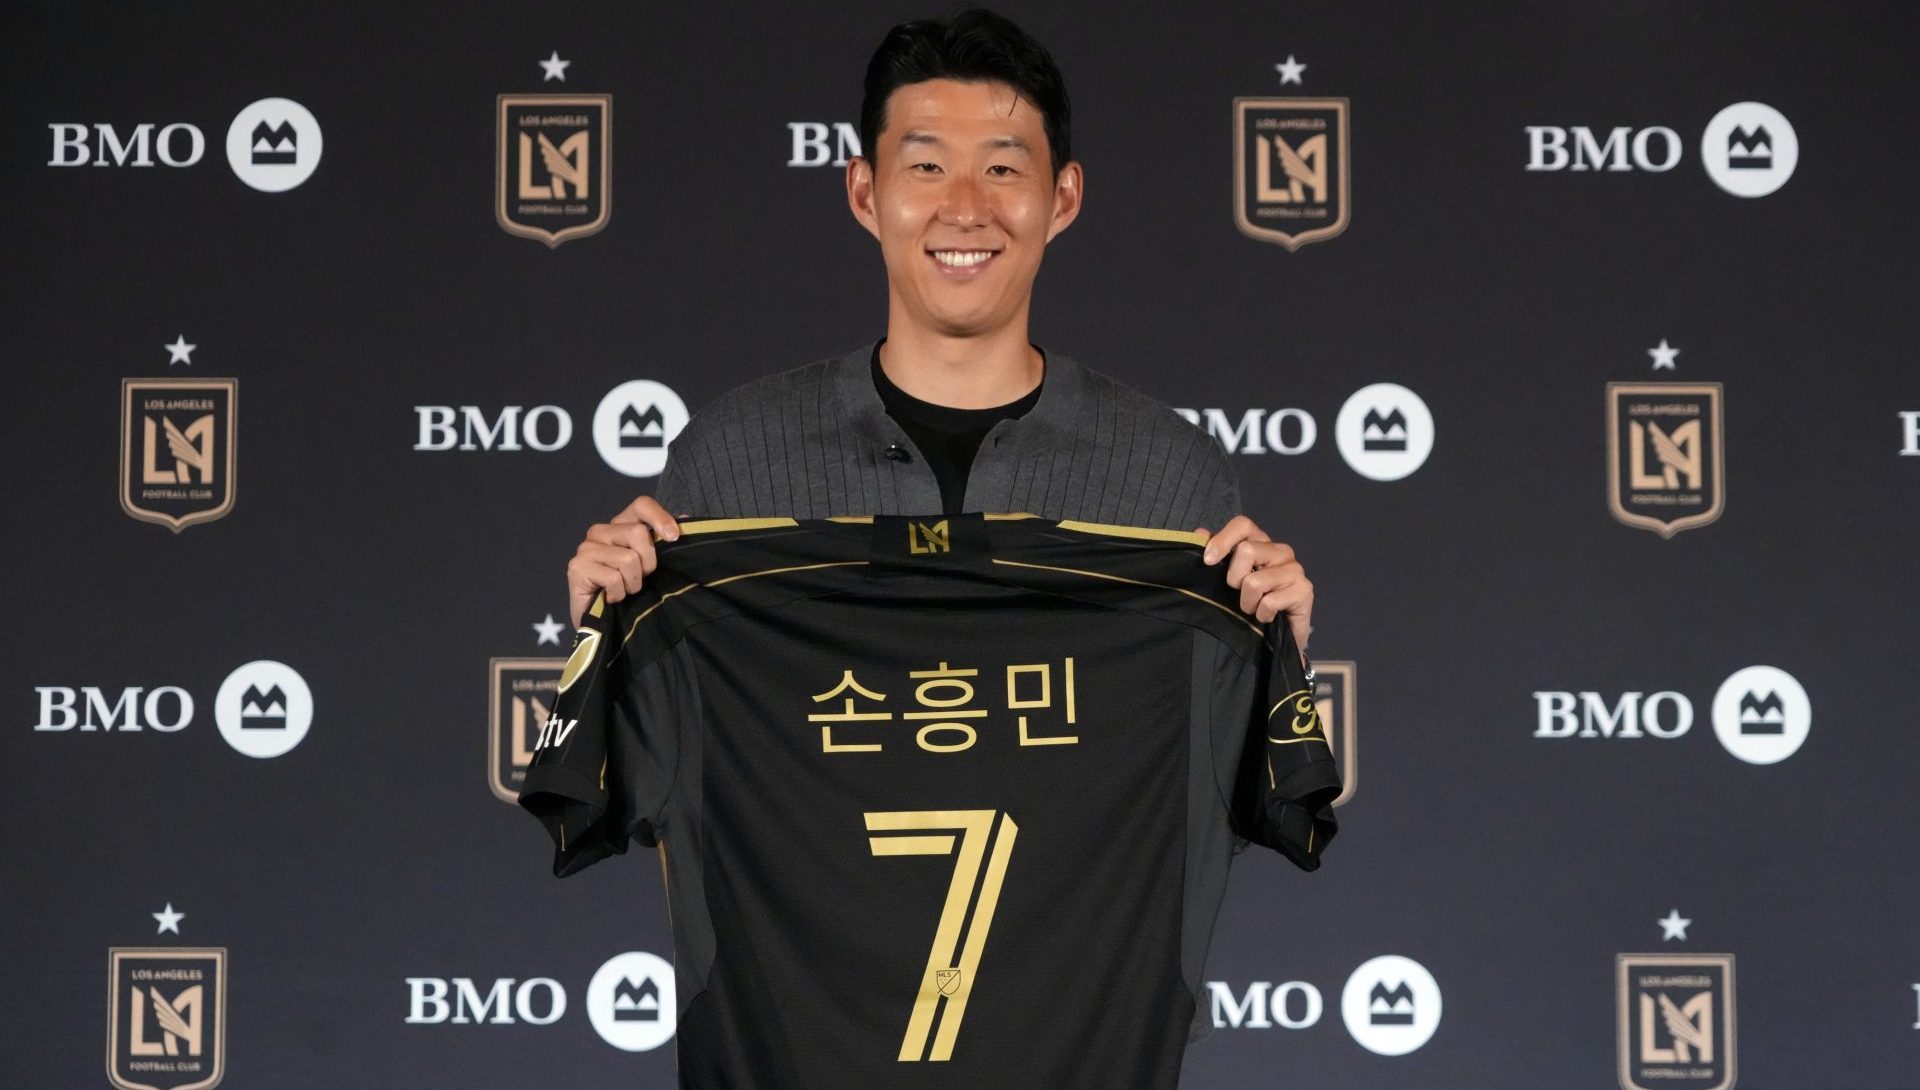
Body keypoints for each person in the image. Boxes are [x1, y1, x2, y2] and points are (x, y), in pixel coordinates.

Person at [565, 8, 1314, 663]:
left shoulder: (1171, 477)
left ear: (1062, 199)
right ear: (865, 192)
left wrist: (1278, 658)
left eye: (1002, 168)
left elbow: (1209, 768)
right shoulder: (729, 461)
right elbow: (671, 759)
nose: (964, 208)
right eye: (926, 165)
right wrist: (609, 634)